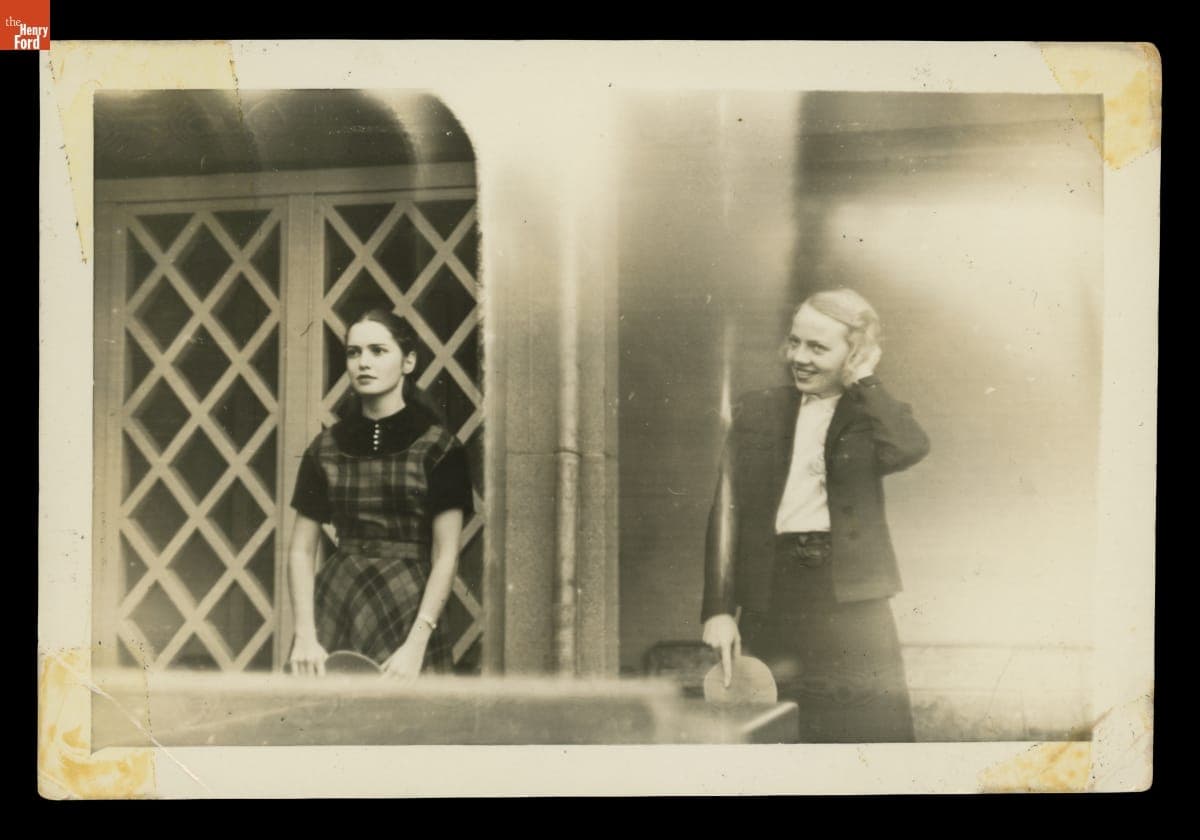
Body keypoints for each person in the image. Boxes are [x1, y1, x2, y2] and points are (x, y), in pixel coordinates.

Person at [701, 288, 929, 742]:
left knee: (868, 731)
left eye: (818, 347)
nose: (799, 357)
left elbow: (909, 446)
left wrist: (864, 380)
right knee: (771, 733)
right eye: (795, 342)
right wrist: (719, 610)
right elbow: (726, 511)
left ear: (854, 353)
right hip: (772, 594)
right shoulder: (757, 410)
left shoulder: (870, 413)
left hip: (852, 599)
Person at [286, 309, 473, 678]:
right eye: (354, 353)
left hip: (407, 609)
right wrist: (305, 635)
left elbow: (446, 553)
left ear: (408, 361)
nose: (363, 363)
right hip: (336, 606)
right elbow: (300, 549)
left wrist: (417, 643)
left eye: (377, 351)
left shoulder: (442, 449)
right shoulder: (324, 448)